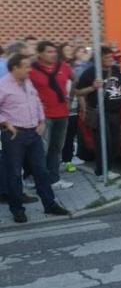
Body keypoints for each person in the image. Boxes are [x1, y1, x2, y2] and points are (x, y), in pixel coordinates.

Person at [0, 54, 71, 223]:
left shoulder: (28, 83)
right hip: (14, 135)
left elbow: (37, 101)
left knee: (41, 171)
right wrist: (5, 123)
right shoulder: (3, 86)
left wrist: (42, 121)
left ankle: (50, 204)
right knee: (15, 173)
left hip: (34, 133)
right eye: (25, 67)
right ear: (15, 68)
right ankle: (17, 209)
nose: (29, 70)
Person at [29, 41, 75, 189]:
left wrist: (70, 98)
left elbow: (75, 81)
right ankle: (37, 180)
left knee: (56, 148)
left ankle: (54, 179)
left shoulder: (64, 67)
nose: (53, 54)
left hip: (62, 114)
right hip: (43, 116)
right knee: (42, 150)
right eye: (49, 52)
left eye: (54, 51)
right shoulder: (32, 70)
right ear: (40, 54)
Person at [76, 47, 121, 178]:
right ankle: (101, 172)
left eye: (111, 57)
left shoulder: (115, 69)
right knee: (104, 142)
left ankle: (108, 169)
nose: (110, 60)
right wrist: (93, 87)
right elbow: (78, 92)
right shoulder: (90, 72)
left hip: (115, 111)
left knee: (115, 143)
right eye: (107, 58)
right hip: (99, 112)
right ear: (99, 59)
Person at [59, 43, 84, 173]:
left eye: (70, 49)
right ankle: (62, 159)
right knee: (61, 137)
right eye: (66, 49)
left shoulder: (72, 65)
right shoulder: (59, 66)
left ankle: (68, 159)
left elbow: (76, 84)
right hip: (61, 108)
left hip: (73, 106)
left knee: (70, 135)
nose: (69, 51)